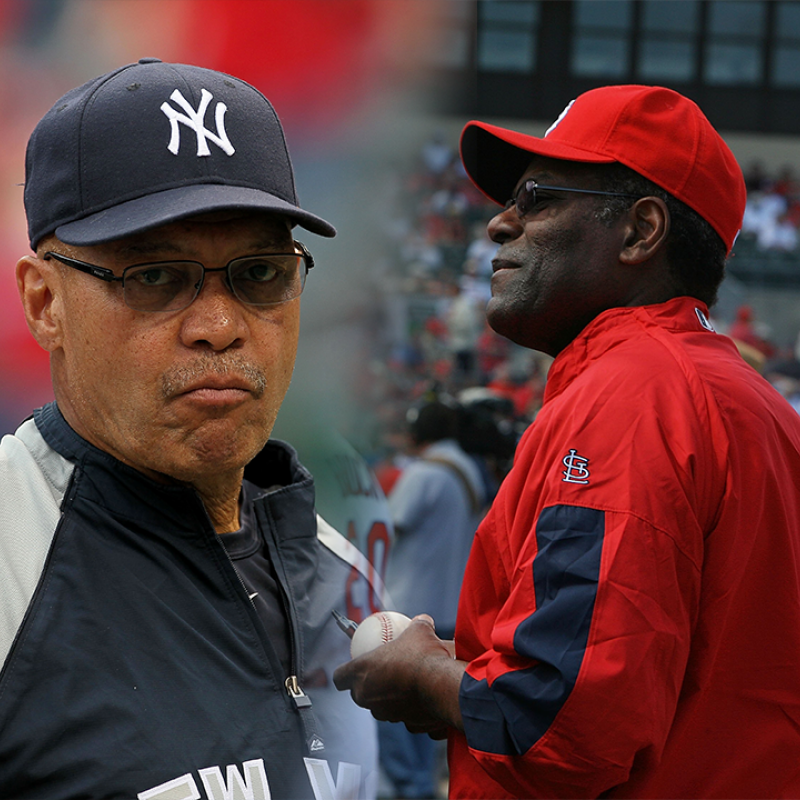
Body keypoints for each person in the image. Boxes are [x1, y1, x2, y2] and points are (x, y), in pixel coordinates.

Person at [334, 84, 800, 798]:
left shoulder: (634, 394)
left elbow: (560, 727)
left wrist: (426, 677)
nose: (499, 224)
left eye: (536, 198)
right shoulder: (761, 408)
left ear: (641, 232)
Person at [0, 58, 380, 800]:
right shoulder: (11, 557)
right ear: (45, 303)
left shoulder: (347, 578)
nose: (218, 326)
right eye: (154, 277)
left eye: (261, 274)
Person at [378, 400, 485, 800]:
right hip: (452, 603)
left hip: (411, 608)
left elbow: (386, 524)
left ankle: (411, 787)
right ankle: (421, 782)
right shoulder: (467, 469)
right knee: (429, 707)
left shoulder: (423, 473)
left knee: (394, 708)